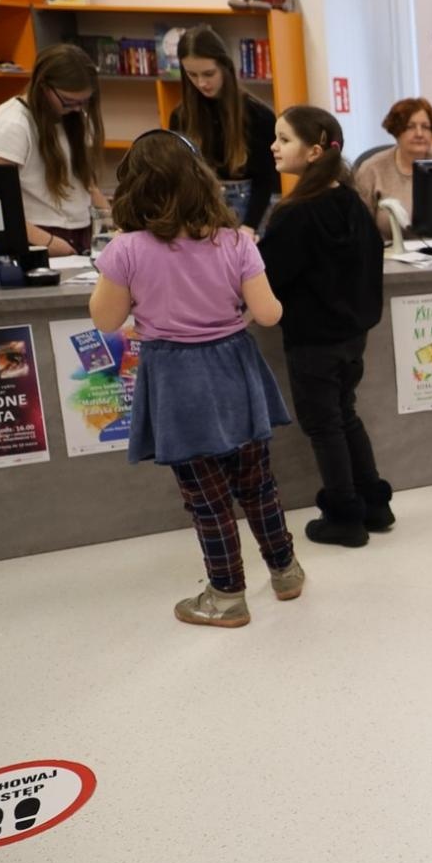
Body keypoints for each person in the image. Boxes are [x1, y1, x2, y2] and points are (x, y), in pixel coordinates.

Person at [88, 129, 301, 628]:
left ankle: (227, 596)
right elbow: (268, 313)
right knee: (258, 485)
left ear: (135, 187)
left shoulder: (126, 250)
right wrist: (234, 320)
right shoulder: (234, 241)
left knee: (207, 500)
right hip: (236, 370)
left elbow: (105, 320)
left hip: (176, 379)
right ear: (201, 182)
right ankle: (286, 571)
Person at [258, 105, 390, 547]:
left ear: (314, 151)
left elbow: (266, 278)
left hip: (313, 340)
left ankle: (345, 515)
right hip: (353, 337)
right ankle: (373, 502)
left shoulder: (295, 214)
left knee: (324, 424)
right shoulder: (351, 202)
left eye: (284, 139)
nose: (273, 147)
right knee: (344, 414)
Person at [0, 43, 107, 255]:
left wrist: (110, 224)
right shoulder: (13, 123)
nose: (77, 108)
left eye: (84, 102)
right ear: (43, 86)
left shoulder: (78, 118)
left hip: (82, 232)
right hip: (36, 236)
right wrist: (46, 242)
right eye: (68, 101)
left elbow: (87, 184)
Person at [167, 24, 279, 232]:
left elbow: (267, 180)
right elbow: (182, 175)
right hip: (204, 211)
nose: (201, 83)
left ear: (225, 67)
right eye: (192, 75)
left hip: (252, 211)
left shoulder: (259, 115)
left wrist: (250, 225)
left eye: (209, 73)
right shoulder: (180, 117)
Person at [351, 97, 432, 239]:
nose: (419, 134)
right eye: (410, 127)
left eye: (425, 127)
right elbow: (358, 228)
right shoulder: (372, 169)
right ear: (396, 131)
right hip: (388, 255)